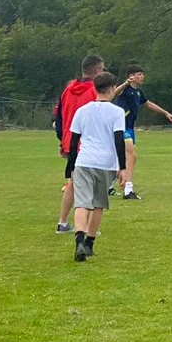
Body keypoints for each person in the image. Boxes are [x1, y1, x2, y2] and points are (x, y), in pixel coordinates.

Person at [64, 72, 127, 262]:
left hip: (84, 161)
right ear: (112, 89)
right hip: (106, 163)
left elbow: (73, 142)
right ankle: (89, 243)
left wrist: (70, 168)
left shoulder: (82, 111)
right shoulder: (117, 112)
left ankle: (79, 240)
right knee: (98, 204)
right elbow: (119, 140)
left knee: (82, 203)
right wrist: (123, 167)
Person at [54, 54, 104, 234]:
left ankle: (62, 222)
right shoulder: (95, 91)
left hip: (71, 142)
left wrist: (62, 141)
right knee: (90, 185)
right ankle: (87, 227)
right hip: (88, 144)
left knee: (74, 183)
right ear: (97, 70)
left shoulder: (68, 89)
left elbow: (59, 118)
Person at [113, 64, 172, 200]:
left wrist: (165, 113)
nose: (142, 76)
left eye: (142, 74)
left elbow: (148, 104)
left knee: (127, 158)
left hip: (130, 127)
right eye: (139, 74)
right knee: (131, 155)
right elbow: (114, 93)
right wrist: (125, 83)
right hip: (121, 127)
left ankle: (110, 182)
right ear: (131, 76)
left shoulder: (138, 92)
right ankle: (128, 190)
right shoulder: (125, 89)